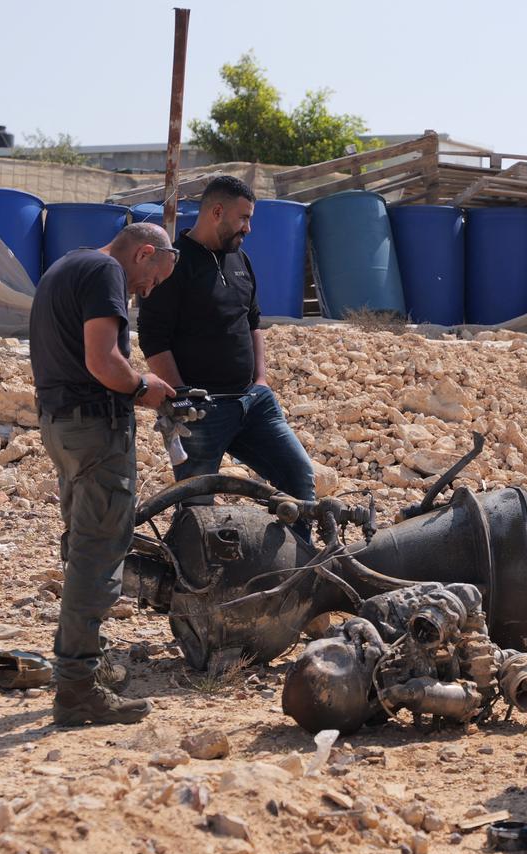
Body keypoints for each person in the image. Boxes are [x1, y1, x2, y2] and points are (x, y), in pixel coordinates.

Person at [31, 222, 178, 726]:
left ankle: (85, 661)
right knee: (99, 551)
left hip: (61, 426)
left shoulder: (67, 264)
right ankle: (77, 687)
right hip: (95, 430)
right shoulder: (104, 273)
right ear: (143, 254)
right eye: (153, 278)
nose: (148, 290)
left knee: (82, 542)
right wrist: (143, 387)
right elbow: (103, 359)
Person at [138, 175, 315, 520]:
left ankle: (299, 569)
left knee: (299, 480)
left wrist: (260, 379)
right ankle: (194, 573)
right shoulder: (173, 265)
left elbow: (252, 322)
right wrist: (182, 395)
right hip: (202, 412)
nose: (248, 228)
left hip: (253, 402)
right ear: (217, 212)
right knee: (197, 506)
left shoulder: (241, 261)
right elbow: (152, 337)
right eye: (244, 218)